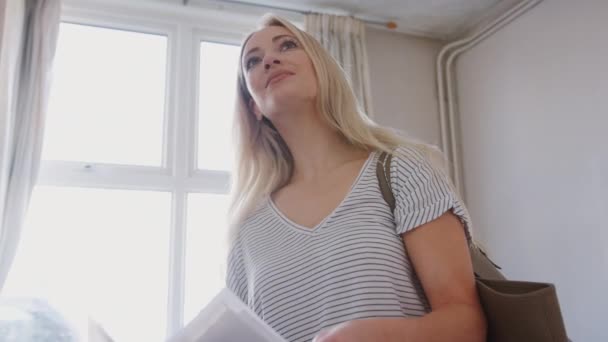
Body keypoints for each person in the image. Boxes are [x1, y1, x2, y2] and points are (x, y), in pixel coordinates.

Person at [226, 14, 487, 342]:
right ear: (254, 108)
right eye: (252, 61)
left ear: (322, 69)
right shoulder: (247, 231)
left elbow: (466, 323)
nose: (269, 60)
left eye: (287, 45)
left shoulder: (401, 170)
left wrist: (379, 336)